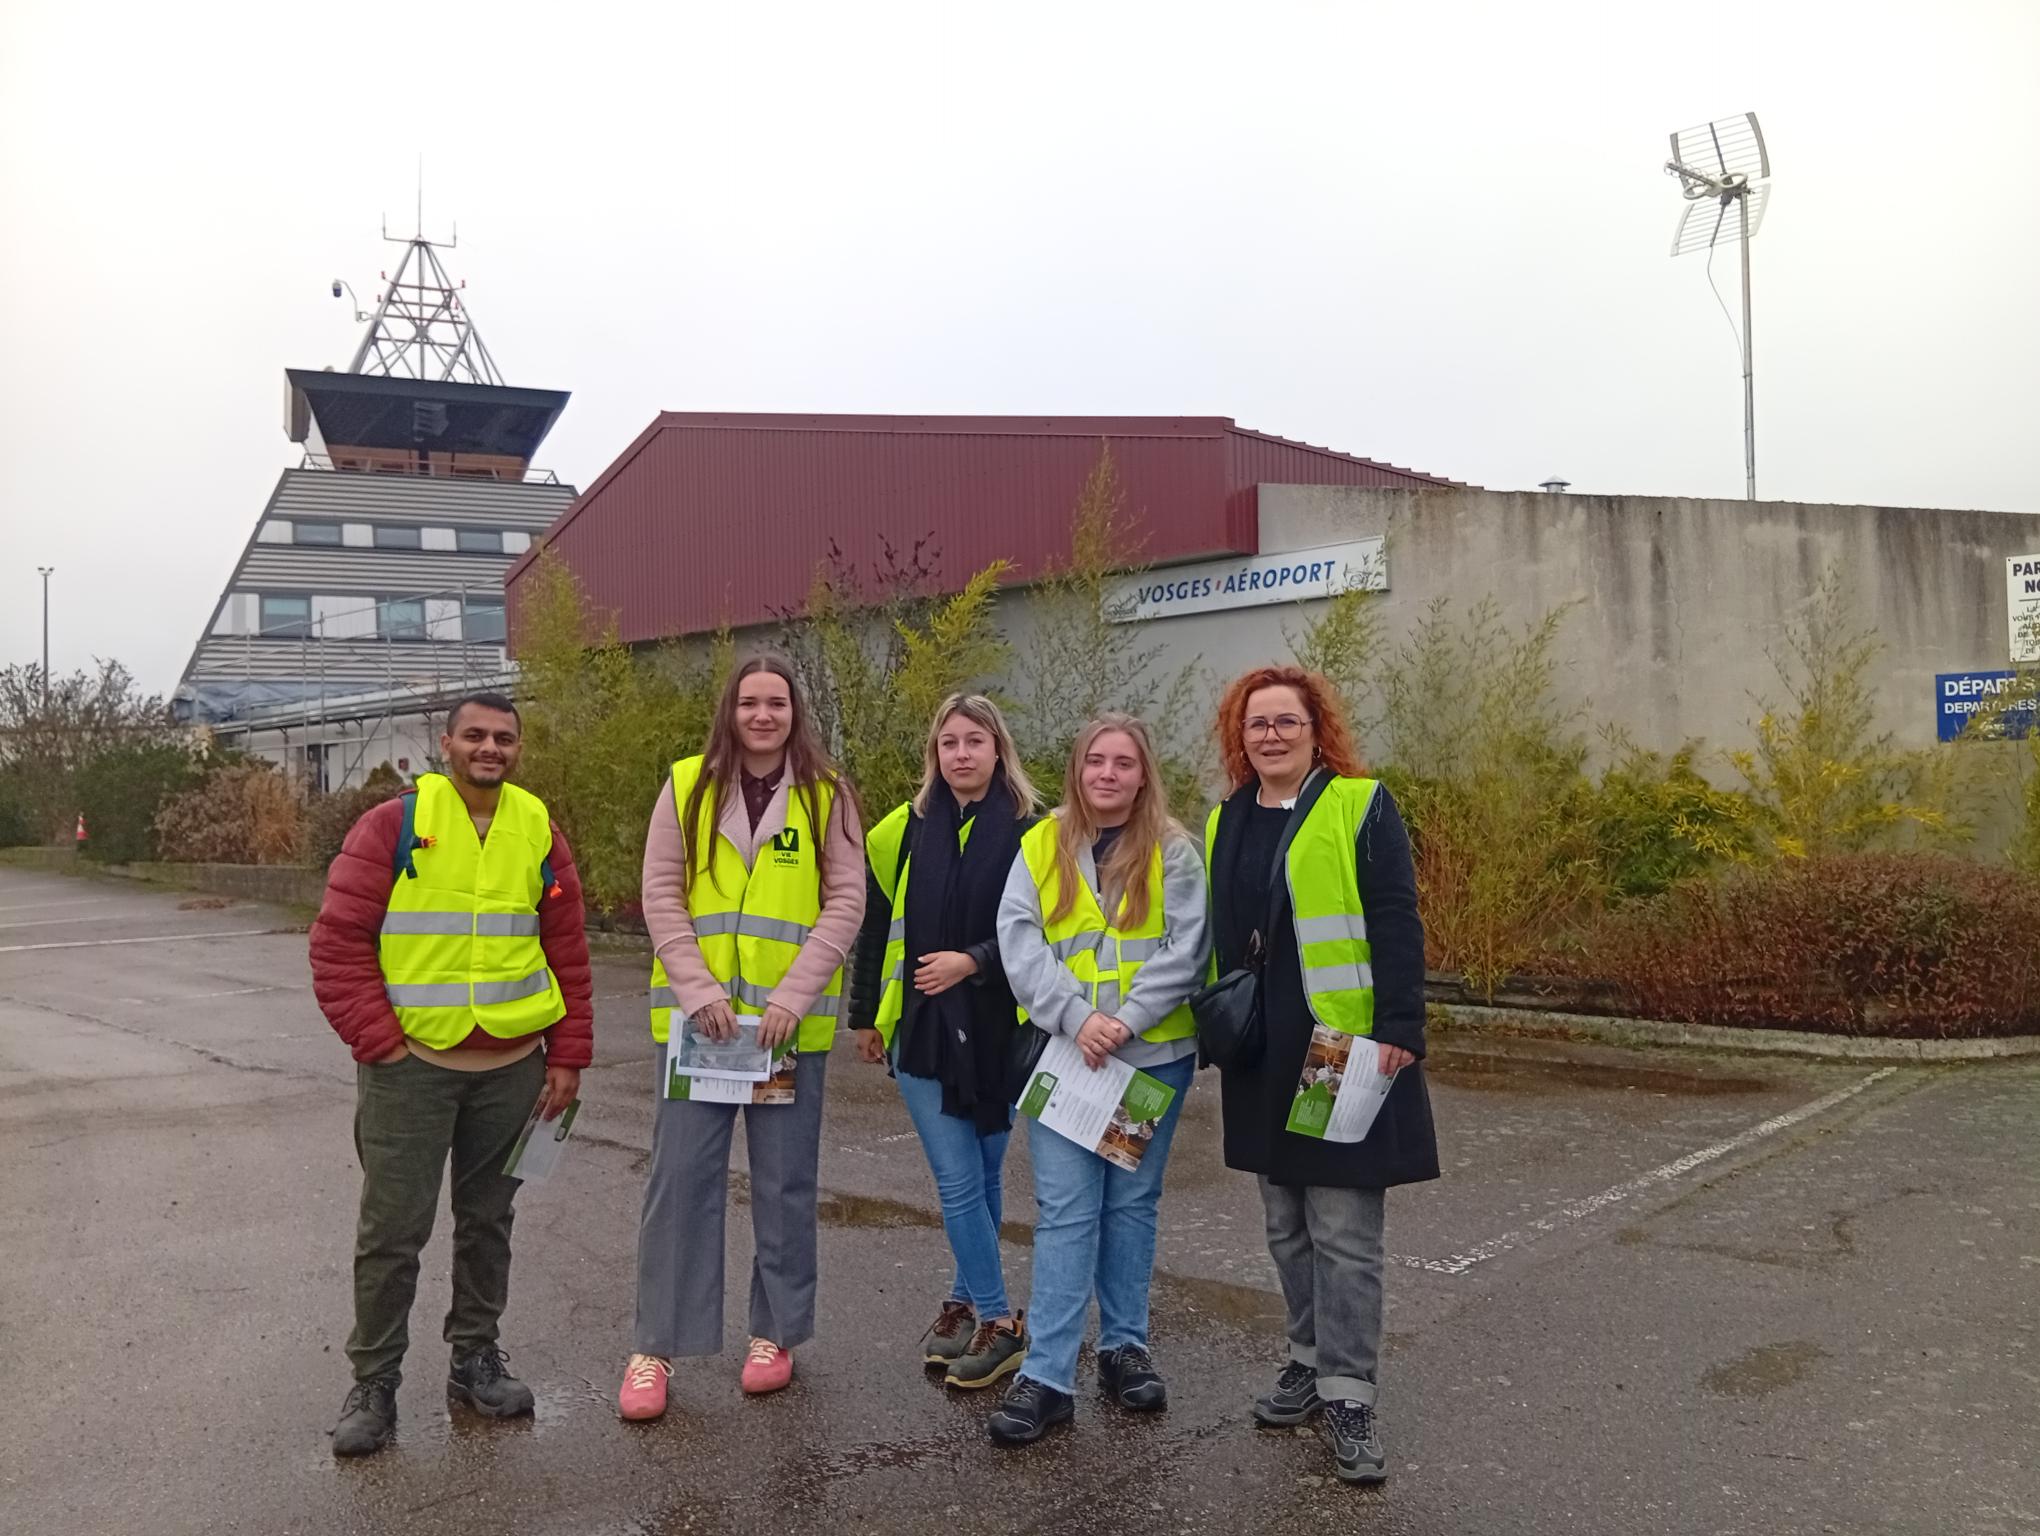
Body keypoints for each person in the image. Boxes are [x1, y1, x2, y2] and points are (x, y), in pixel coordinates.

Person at [310, 691, 593, 1458]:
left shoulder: (537, 831)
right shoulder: (392, 826)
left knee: (488, 1223)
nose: (490, 747)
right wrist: (383, 1045)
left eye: (504, 736)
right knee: (393, 1232)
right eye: (475, 735)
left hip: (512, 1069)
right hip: (412, 1069)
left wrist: (567, 1055)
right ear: (447, 743)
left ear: (519, 748)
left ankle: (475, 1359)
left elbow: (567, 951)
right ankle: (374, 1382)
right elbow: (338, 944)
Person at [1203, 665, 1438, 1485]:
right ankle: (1305, 1361)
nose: (1270, 735)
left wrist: (1401, 1025)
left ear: (1315, 730)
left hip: (1337, 1046)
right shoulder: (1224, 819)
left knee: (1342, 1229)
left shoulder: (1358, 803)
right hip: (1263, 1055)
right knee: (1285, 1224)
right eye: (1256, 723)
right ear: (1241, 736)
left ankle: (1348, 1394)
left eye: (1286, 722)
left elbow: (1394, 915)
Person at [620, 656, 865, 1420]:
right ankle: (654, 1347)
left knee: (785, 1185)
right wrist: (696, 992)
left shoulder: (828, 795)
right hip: (703, 1030)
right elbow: (660, 892)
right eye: (750, 702)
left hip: (787, 1030)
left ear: (796, 712)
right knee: (679, 1185)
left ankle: (775, 1334)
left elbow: (846, 900)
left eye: (778, 703)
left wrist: (796, 994)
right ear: (730, 709)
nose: (763, 715)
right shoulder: (686, 784)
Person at [986, 713, 1209, 1447]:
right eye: (1095, 762)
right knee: (1066, 1211)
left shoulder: (1175, 851)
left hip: (1147, 1058)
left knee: (1131, 1205)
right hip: (1068, 1058)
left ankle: (1123, 1348)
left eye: (1123, 763)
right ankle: (1047, 1377)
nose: (1108, 774)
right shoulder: (1039, 846)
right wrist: (1077, 1018)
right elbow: (1019, 941)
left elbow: (1185, 947)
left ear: (1144, 774)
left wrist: (1128, 1020)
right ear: (1076, 771)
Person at [845, 695, 1039, 1389]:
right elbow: (875, 929)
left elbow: (1045, 931)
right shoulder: (904, 830)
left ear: (998, 750)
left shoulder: (1032, 831)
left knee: (984, 1178)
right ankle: (1000, 1320)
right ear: (935, 753)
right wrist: (866, 1015)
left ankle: (962, 1304)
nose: (961, 754)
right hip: (924, 1027)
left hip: (1001, 1029)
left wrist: (975, 959)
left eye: (974, 741)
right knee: (958, 1181)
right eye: (949, 742)